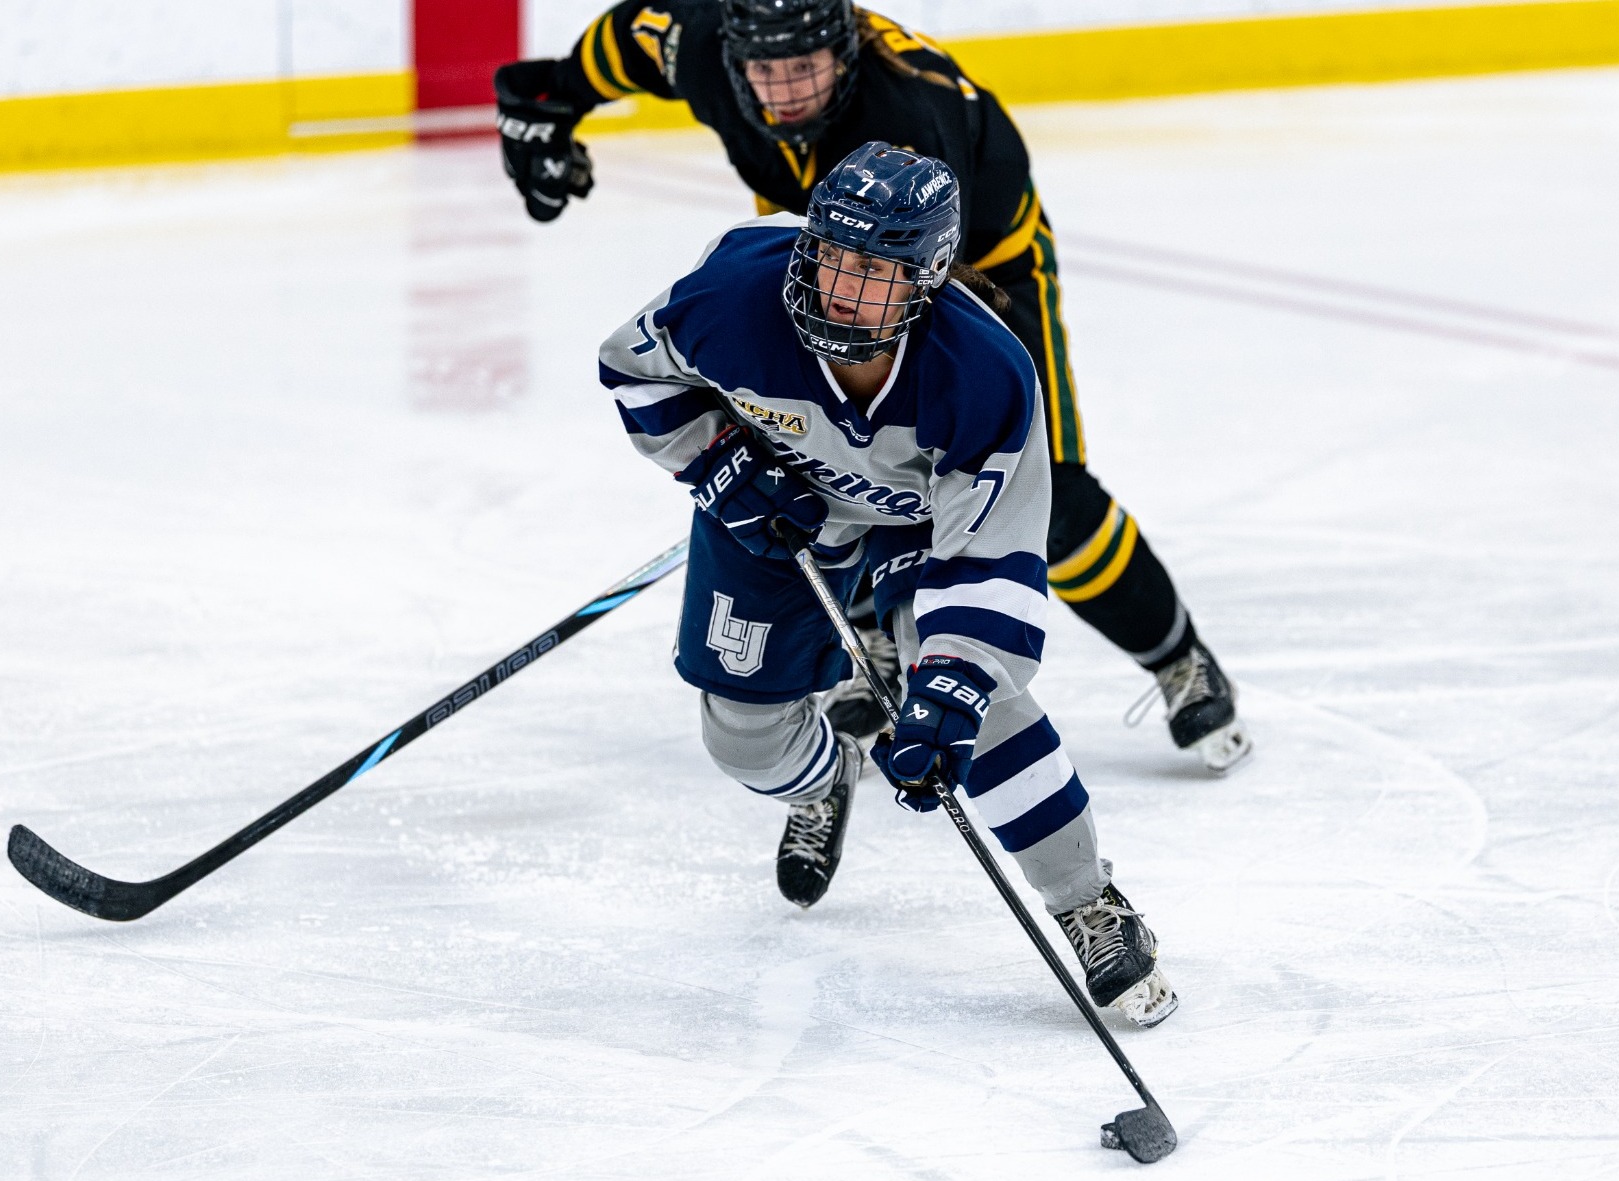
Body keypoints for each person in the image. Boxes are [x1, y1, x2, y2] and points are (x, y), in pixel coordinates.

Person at [499, 0, 1253, 774]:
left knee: (1038, 491)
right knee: (812, 457)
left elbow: (926, 308)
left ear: (846, 49)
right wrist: (552, 103)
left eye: (805, 68)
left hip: (970, 279)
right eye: (764, 71)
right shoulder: (705, 44)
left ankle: (1177, 657)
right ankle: (877, 643)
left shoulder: (907, 124)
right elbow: (630, 40)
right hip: (816, 274)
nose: (784, 91)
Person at [597, 141, 1176, 1026]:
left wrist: (952, 684)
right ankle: (825, 781)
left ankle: (1086, 901)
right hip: (775, 502)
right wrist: (717, 463)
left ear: (926, 279)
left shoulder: (984, 374)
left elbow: (990, 560)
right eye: (832, 252)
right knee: (743, 742)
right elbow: (635, 369)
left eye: (872, 268)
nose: (840, 284)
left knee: (975, 707)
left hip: (920, 520)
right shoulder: (734, 293)